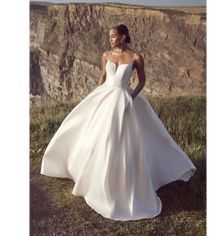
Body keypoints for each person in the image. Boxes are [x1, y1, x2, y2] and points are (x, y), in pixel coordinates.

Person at [40, 24, 197, 221]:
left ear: (123, 37)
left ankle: (124, 181)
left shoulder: (136, 57)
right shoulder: (106, 55)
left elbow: (141, 81)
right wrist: (94, 98)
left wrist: (132, 97)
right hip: (104, 98)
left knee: (123, 140)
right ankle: (88, 176)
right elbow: (103, 78)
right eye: (109, 36)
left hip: (124, 99)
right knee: (95, 135)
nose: (110, 39)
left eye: (113, 36)